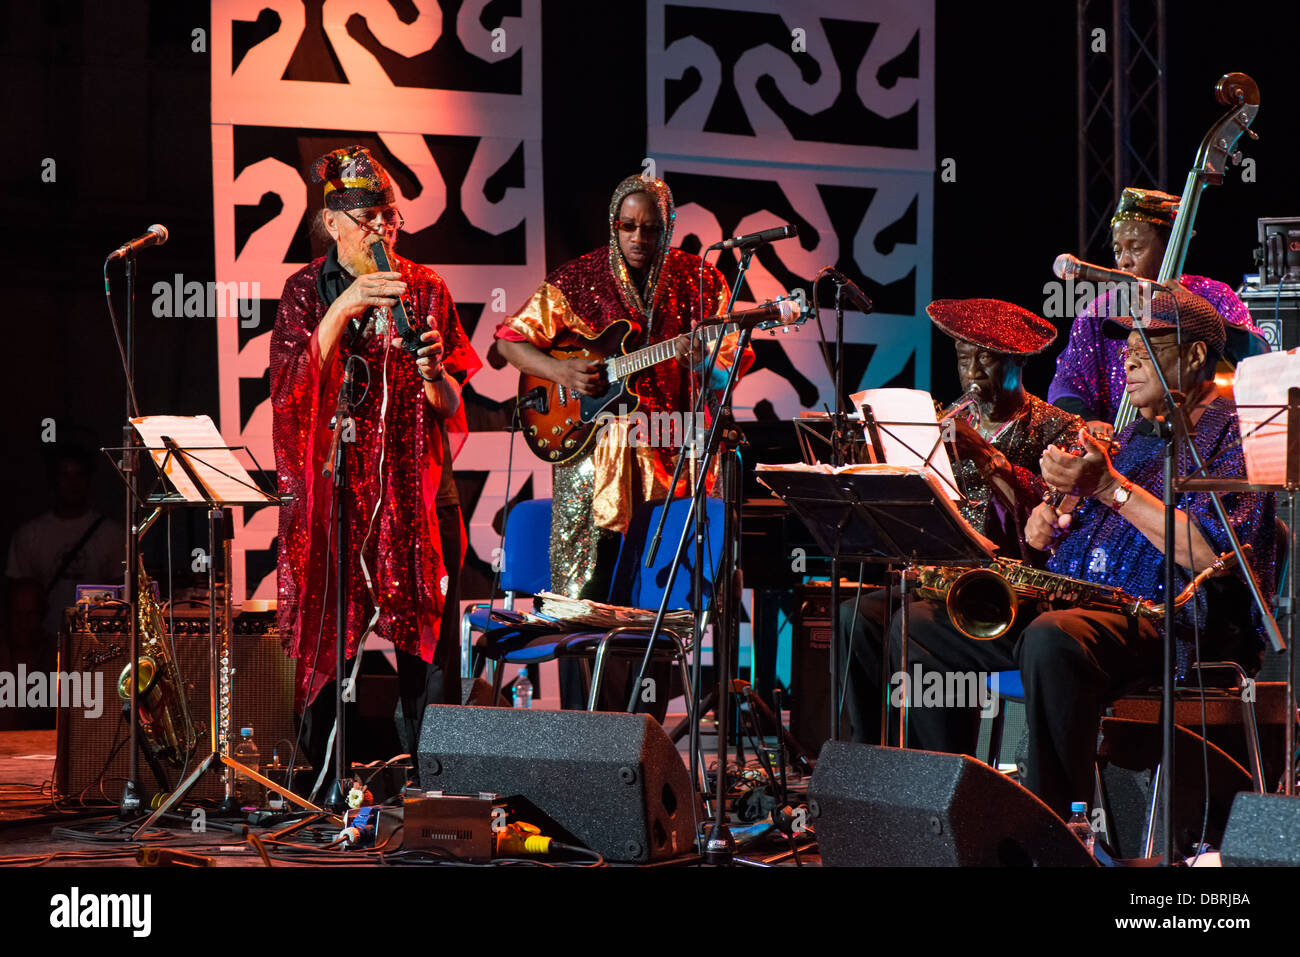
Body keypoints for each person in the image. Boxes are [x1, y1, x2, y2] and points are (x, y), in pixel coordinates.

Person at [853, 285, 1275, 820]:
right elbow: (1064, 546)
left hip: (1175, 624)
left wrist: (1110, 489)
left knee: (1052, 639)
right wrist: (1042, 535)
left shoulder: (1233, 437)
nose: (1129, 361)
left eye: (1147, 349)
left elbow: (1215, 553)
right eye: (1127, 351)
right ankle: (946, 811)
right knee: (920, 627)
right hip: (1088, 609)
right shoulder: (1135, 436)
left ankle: (1053, 826)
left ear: (1195, 355)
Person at [494, 174, 752, 710]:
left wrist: (703, 359)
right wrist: (563, 374)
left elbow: (731, 363)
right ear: (614, 226)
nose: (638, 237)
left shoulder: (698, 280)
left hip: (672, 457)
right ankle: (586, 737)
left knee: (656, 595)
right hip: (594, 462)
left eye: (651, 229)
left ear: (668, 229)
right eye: (628, 226)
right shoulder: (578, 277)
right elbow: (510, 343)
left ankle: (644, 736)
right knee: (584, 598)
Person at [270, 146, 480, 773]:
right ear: (332, 222)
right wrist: (344, 305)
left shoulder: (426, 286)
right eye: (367, 219)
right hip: (338, 490)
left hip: (419, 491)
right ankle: (323, 781)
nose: (382, 230)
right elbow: (289, 389)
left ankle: (431, 782)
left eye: (389, 217)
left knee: (429, 649)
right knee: (327, 639)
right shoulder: (305, 290)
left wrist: (435, 371)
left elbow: (448, 402)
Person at [839, 299, 1081, 745]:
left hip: (1016, 589)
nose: (972, 373)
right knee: (856, 616)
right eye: (962, 357)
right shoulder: (948, 420)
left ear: (1017, 362)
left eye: (985, 358)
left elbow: (1052, 523)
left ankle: (945, 773)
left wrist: (988, 458)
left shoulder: (1058, 428)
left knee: (913, 624)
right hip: (946, 577)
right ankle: (868, 762)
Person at [1048, 187, 1268, 430]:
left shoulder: (1212, 295)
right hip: (1123, 448)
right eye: (1118, 250)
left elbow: (1260, 360)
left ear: (1168, 247)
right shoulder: (1099, 312)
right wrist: (1088, 422)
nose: (1124, 261)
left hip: (1203, 438)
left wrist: (1197, 311)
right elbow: (1067, 383)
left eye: (1136, 247)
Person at [6, 445, 123, 646]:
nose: (72, 484)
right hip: (43, 641)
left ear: (88, 480)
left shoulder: (112, 535)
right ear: (53, 481)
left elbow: (122, 594)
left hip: (97, 640)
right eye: (65, 475)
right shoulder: (30, 534)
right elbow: (18, 596)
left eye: (79, 475)